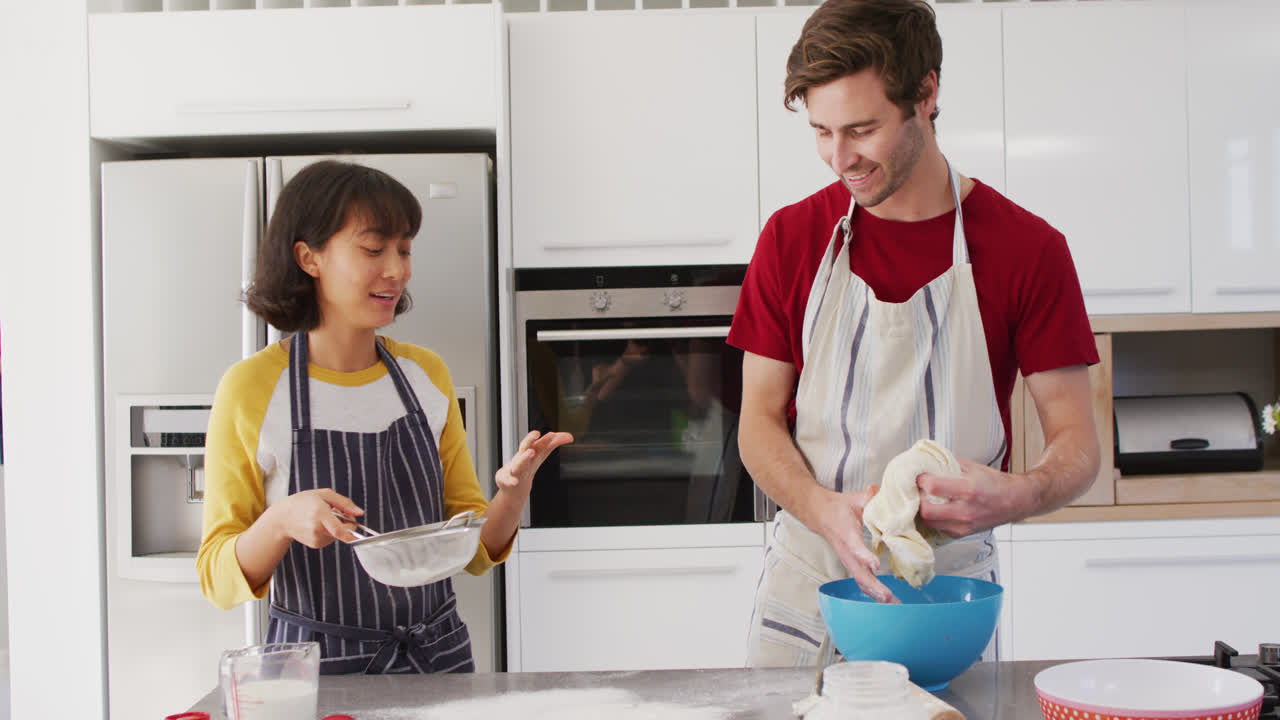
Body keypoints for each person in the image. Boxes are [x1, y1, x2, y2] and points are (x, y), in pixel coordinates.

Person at [730, 0, 1101, 667]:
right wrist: (821, 508)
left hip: (946, 601)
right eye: (820, 131)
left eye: (861, 129)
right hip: (809, 585)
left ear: (926, 94)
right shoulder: (792, 239)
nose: (838, 158)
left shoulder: (1027, 249)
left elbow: (1077, 445)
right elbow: (757, 423)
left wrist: (1019, 493)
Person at [197, 159, 572, 674]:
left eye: (404, 249)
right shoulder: (252, 389)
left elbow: (476, 550)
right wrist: (282, 519)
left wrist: (513, 494)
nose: (396, 270)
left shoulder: (425, 376)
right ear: (309, 257)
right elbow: (216, 576)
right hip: (317, 671)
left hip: (436, 660)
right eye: (374, 249)